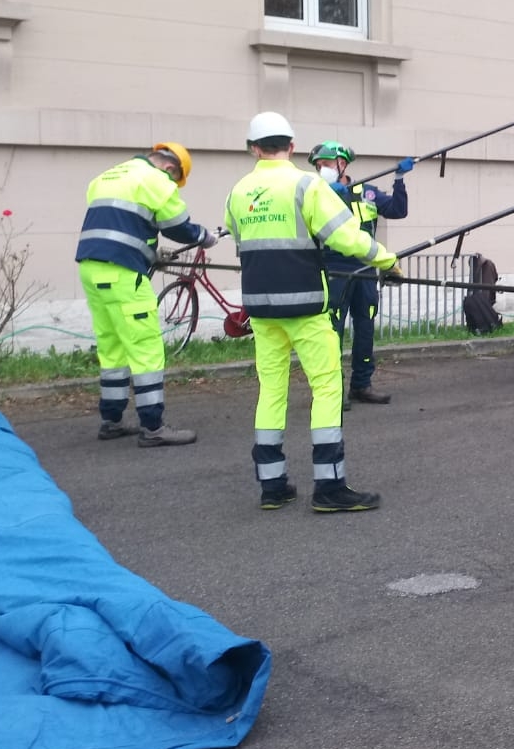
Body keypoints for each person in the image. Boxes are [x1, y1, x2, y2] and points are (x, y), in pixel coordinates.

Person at [226, 112, 399, 513]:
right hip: (305, 304)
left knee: (271, 390)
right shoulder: (306, 186)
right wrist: (387, 260)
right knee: (326, 388)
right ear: (291, 146)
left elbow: (239, 236)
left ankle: (273, 487)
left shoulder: (237, 192)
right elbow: (346, 236)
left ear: (254, 148)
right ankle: (329, 486)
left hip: (261, 308)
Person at [76, 142, 218, 447]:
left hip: (90, 267)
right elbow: (178, 226)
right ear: (170, 169)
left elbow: (122, 224)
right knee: (146, 348)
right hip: (123, 274)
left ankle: (111, 421)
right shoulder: (156, 180)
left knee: (112, 346)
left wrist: (149, 252)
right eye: (175, 180)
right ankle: (153, 427)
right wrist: (203, 237)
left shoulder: (108, 176)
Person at [308, 140, 414, 405]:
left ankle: (362, 385)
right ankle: (332, 390)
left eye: (326, 164)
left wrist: (399, 179)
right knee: (331, 333)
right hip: (332, 271)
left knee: (365, 329)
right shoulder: (316, 193)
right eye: (318, 166)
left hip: (366, 271)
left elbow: (398, 210)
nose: (321, 169)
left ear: (342, 164)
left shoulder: (367, 192)